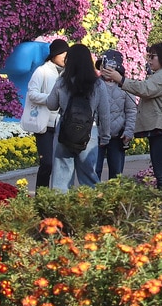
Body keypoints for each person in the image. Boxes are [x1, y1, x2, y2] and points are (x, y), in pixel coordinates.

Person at [102, 43, 162, 191]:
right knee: (161, 175)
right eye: (148, 57)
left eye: (152, 57)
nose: (149, 60)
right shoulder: (161, 75)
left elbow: (145, 89)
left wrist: (120, 80)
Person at [43, 44, 110, 191]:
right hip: (89, 133)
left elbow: (51, 105)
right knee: (89, 178)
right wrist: (105, 137)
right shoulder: (98, 84)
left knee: (61, 178)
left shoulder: (62, 81)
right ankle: (93, 209)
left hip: (65, 132)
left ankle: (59, 212)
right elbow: (104, 113)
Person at [22, 38, 69, 191]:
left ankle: (56, 196)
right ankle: (41, 195)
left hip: (61, 125)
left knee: (60, 164)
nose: (64, 56)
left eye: (67, 53)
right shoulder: (42, 71)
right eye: (62, 53)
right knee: (47, 163)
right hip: (44, 125)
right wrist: (51, 100)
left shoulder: (67, 74)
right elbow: (32, 94)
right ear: (54, 54)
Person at [93, 55, 136, 180]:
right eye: (102, 66)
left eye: (108, 66)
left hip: (118, 136)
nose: (104, 69)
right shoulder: (95, 85)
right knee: (94, 171)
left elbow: (131, 110)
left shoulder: (125, 86)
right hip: (98, 136)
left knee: (116, 174)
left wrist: (128, 131)